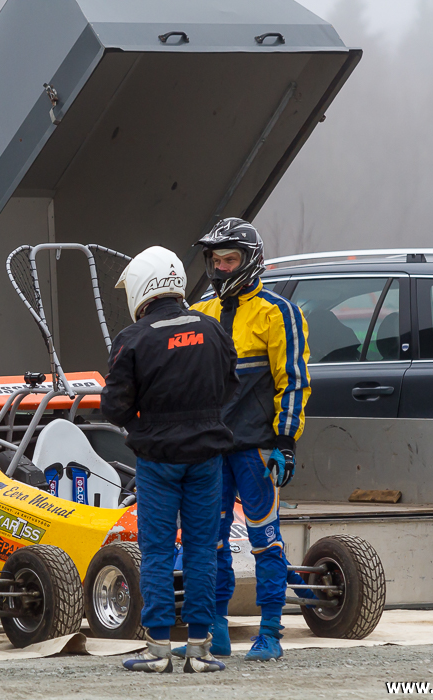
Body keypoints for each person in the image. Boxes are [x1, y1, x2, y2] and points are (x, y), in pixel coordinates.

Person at [102, 245, 238, 673]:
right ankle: (199, 649)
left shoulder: (134, 338)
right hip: (206, 458)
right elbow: (230, 385)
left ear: (141, 286)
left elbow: (114, 407)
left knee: (158, 551)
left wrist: (147, 420)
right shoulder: (212, 328)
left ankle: (158, 649)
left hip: (158, 459)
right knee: (202, 551)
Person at [189, 217, 311, 662]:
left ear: (250, 260)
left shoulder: (278, 312)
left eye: (230, 259)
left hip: (258, 448)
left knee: (265, 538)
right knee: (210, 541)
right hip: (210, 450)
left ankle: (271, 632)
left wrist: (286, 442)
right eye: (216, 260)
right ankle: (215, 630)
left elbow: (293, 381)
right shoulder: (198, 312)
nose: (221, 267)